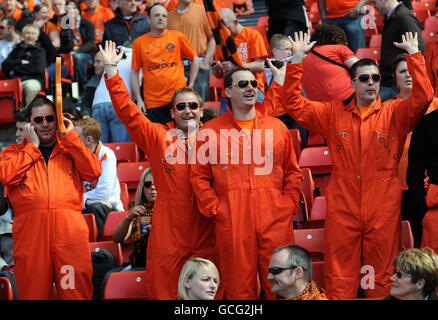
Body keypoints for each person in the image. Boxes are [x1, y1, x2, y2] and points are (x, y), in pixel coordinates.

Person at [279, 31, 433, 299]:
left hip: (383, 204)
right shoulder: (331, 113)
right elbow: (292, 103)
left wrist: (415, 56)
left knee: (382, 272)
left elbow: (423, 98)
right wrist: (296, 62)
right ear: (353, 82)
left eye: (375, 78)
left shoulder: (395, 113)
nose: (371, 83)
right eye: (364, 78)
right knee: (340, 273)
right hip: (343, 206)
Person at [99, 40, 216, 300]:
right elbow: (128, 113)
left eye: (193, 106)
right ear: (172, 112)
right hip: (169, 222)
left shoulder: (217, 138)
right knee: (164, 284)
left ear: (201, 111)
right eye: (181, 107)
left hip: (206, 221)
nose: (187, 111)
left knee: (210, 284)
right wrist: (111, 72)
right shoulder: (157, 136)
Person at [190, 66, 304, 299]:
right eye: (243, 84)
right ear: (228, 92)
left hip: (274, 215)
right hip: (232, 218)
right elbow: (199, 177)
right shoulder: (210, 131)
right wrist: (216, 209)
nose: (250, 88)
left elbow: (293, 172)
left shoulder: (277, 127)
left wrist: (288, 203)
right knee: (238, 289)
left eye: (254, 84)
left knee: (284, 287)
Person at [0, 95, 102, 299]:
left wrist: (71, 136)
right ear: (30, 124)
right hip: (31, 238)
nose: (45, 124)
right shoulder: (13, 153)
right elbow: (7, 176)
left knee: (75, 293)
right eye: (38, 120)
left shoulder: (71, 149)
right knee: (34, 295)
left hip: (69, 238)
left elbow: (93, 171)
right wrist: (32, 147)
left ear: (57, 120)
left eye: (50, 118)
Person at [391, 54, 438, 247]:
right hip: (402, 188)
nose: (409, 76)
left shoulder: (436, 108)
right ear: (394, 77)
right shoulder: (389, 110)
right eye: (403, 71)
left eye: (412, 71)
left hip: (431, 189)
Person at [130, 3, 198, 125]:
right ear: (149, 19)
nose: (161, 18)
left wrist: (191, 85)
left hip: (178, 99)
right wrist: (139, 99)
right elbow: (134, 72)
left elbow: (194, 58)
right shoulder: (139, 43)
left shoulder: (177, 37)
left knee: (181, 138)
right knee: (159, 140)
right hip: (153, 102)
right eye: (157, 15)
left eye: (164, 16)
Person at [74, 117, 124, 238]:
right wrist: (87, 201)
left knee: (96, 207)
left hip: (108, 208)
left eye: (76, 137)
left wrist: (82, 200)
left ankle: (101, 249)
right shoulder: (74, 156)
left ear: (89, 140)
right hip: (84, 205)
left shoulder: (106, 154)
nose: (73, 140)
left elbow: (104, 194)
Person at [212, 8, 268, 114]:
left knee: (257, 126)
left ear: (236, 22)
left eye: (227, 28)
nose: (225, 32)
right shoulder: (221, 41)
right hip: (228, 92)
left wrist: (237, 67)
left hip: (251, 89)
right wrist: (216, 68)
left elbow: (260, 65)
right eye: (222, 30)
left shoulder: (252, 35)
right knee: (227, 129)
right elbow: (219, 75)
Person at [372, 0, 425, 102]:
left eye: (374, 2)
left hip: (397, 84)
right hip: (391, 82)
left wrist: (403, 70)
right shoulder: (395, 17)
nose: (373, 6)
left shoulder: (403, 17)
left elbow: (418, 48)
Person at [167, 0, 215, 103]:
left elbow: (213, 38)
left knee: (199, 103)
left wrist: (206, 63)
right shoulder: (169, 17)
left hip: (200, 64)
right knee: (178, 103)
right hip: (177, 67)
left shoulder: (202, 11)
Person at [113, 167, 155, 269]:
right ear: (143, 189)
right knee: (108, 276)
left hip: (160, 265)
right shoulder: (138, 212)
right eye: (148, 184)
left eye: (156, 183)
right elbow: (117, 238)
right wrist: (128, 218)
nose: (153, 187)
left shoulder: (170, 211)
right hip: (138, 264)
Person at [92, 40, 133, 143]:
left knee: (100, 150)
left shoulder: (114, 54)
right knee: (121, 148)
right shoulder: (136, 56)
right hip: (117, 103)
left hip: (97, 103)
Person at [1, 23, 47, 106]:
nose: (30, 36)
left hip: (32, 80)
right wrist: (19, 62)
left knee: (30, 87)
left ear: (36, 37)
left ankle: (28, 113)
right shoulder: (16, 49)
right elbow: (5, 65)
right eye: (28, 33)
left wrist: (15, 69)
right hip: (15, 80)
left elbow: (37, 69)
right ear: (23, 35)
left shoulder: (40, 51)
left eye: (33, 34)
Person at [59, 0, 95, 92]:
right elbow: (62, 46)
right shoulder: (65, 26)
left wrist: (78, 50)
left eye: (74, 8)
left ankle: (84, 88)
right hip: (70, 54)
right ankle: (65, 90)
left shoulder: (88, 24)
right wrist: (71, 49)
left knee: (78, 57)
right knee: (59, 58)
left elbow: (91, 43)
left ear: (78, 10)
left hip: (87, 54)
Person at [80, 50, 105, 117]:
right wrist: (86, 116)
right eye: (94, 62)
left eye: (98, 61)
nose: (94, 65)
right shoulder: (91, 84)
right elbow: (85, 105)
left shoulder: (120, 82)